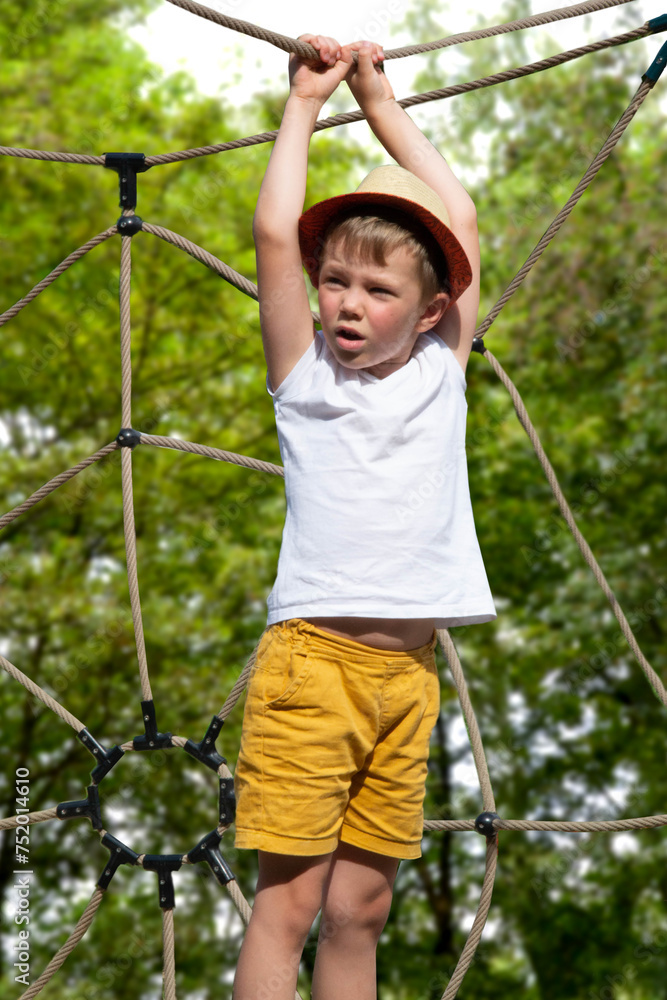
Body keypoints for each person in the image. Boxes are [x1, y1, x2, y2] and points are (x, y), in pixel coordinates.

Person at [232, 33, 496, 1000]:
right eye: (335, 280)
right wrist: (305, 103)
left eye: (378, 290)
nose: (346, 302)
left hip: (405, 679)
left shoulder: (441, 373)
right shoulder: (305, 380)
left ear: (429, 314)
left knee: (362, 910)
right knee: (291, 906)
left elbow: (459, 214)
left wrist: (383, 106)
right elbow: (272, 236)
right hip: (315, 668)